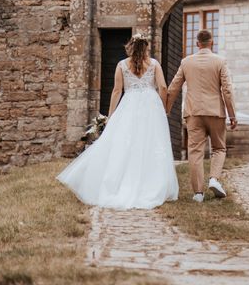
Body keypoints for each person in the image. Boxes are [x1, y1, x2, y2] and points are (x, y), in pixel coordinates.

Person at [56, 33, 178, 209]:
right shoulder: (154, 64)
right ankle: (151, 183)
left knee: (125, 143)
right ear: (146, 47)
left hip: (129, 104)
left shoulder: (122, 65)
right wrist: (163, 106)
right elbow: (164, 87)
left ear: (130, 46)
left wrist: (111, 116)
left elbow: (116, 91)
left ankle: (120, 182)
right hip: (151, 106)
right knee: (151, 143)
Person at [166, 29, 237, 203]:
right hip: (215, 112)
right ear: (211, 42)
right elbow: (227, 90)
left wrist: (166, 109)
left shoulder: (186, 62)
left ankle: (198, 193)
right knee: (219, 148)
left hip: (193, 112)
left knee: (195, 152)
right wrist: (232, 114)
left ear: (197, 44)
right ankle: (214, 179)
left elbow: (173, 87)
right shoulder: (220, 61)